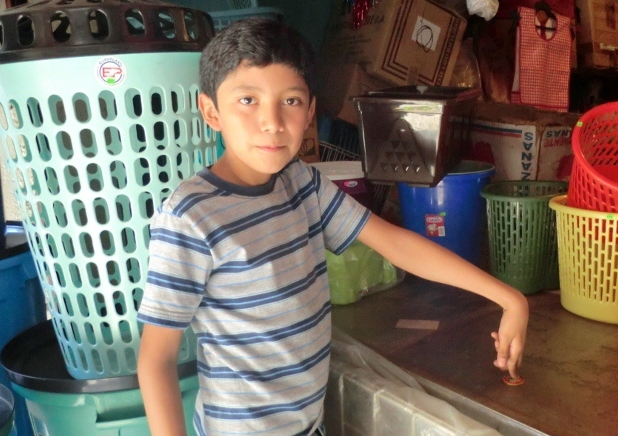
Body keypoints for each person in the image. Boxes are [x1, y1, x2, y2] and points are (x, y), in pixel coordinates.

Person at [136, 17, 529, 436]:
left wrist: (509, 298)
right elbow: (156, 361)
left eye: (290, 101)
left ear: (310, 111)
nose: (272, 121)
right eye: (248, 100)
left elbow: (395, 243)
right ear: (211, 112)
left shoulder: (302, 183)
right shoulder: (190, 217)